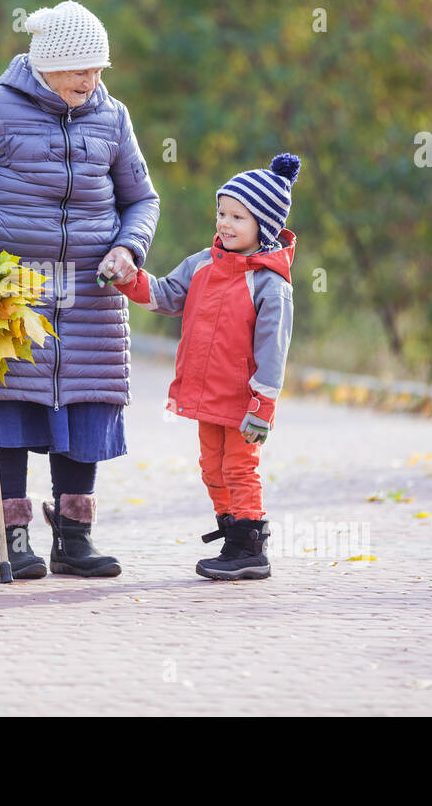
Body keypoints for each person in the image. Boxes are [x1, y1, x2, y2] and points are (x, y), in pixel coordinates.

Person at [0, 0, 160, 579]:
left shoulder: (113, 117)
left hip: (90, 295)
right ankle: (12, 539)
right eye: (80, 69)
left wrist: (129, 247)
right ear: (47, 65)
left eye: (99, 69)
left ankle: (74, 539)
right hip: (5, 293)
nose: (91, 80)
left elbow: (142, 199)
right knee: (9, 407)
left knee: (85, 404)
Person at [116, 153, 301, 580]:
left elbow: (275, 350)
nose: (225, 223)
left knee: (239, 467)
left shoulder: (270, 284)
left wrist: (263, 405)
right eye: (222, 212)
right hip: (206, 395)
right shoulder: (202, 263)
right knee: (211, 468)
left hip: (244, 401)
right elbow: (164, 296)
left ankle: (250, 545)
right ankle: (231, 531)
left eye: (238, 216)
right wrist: (128, 279)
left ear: (264, 226)